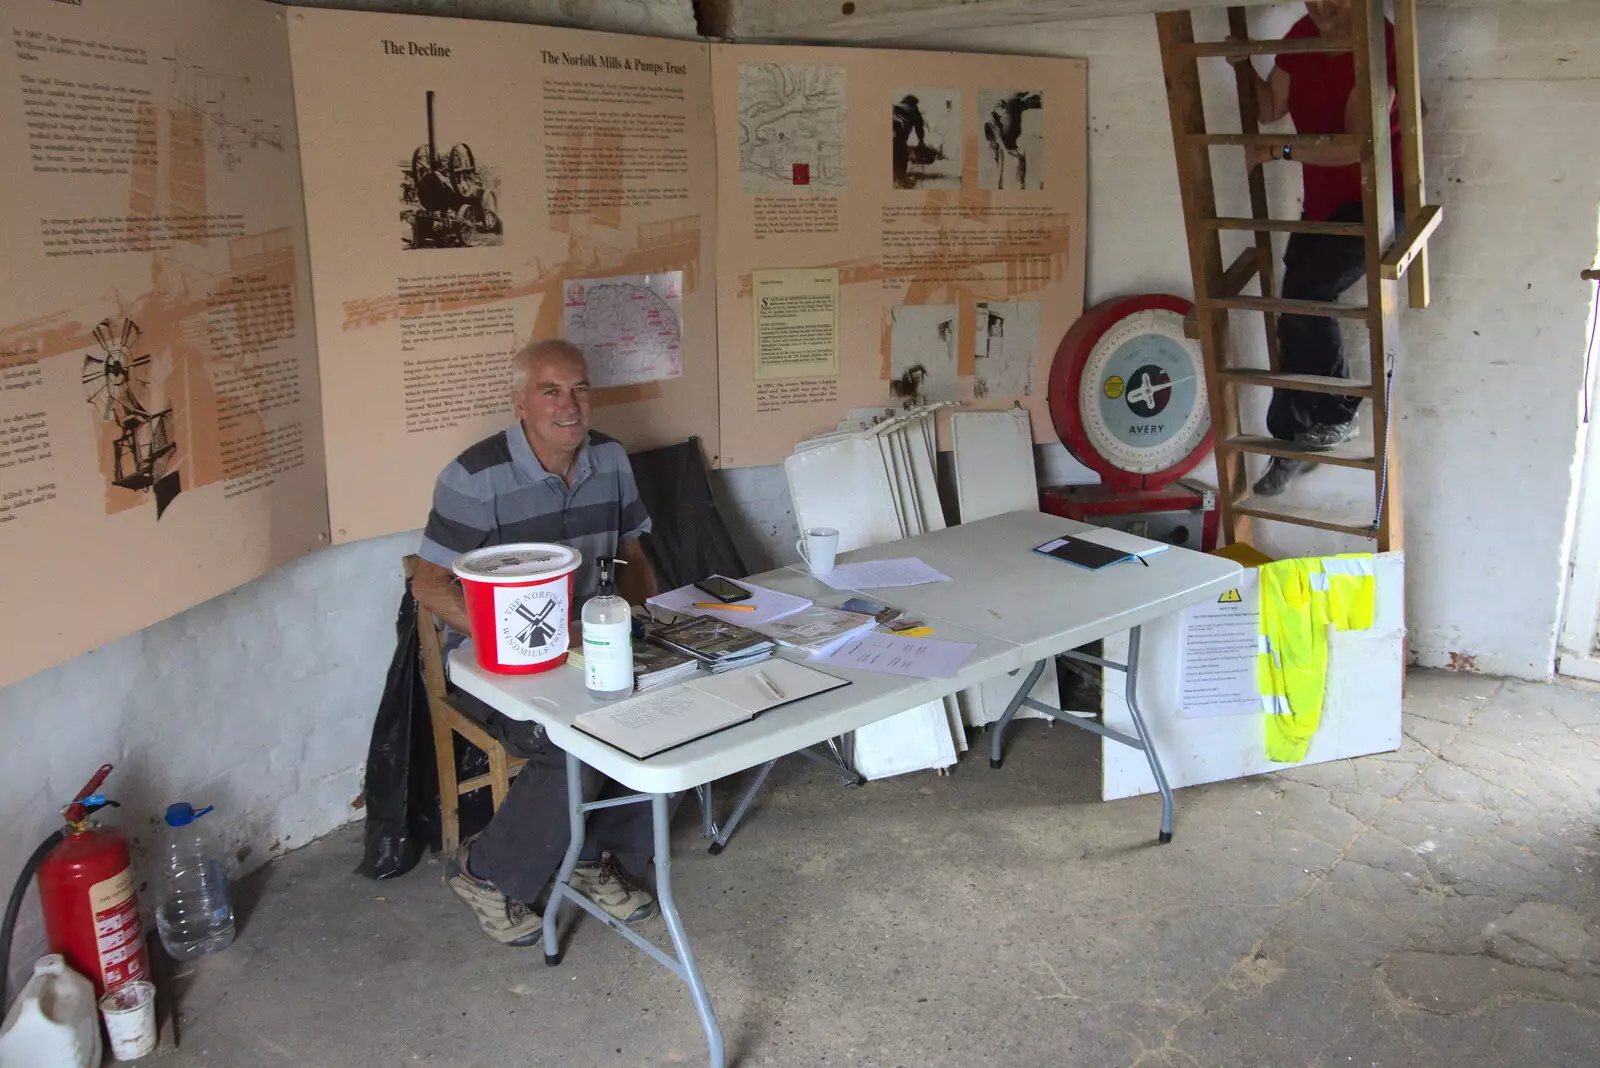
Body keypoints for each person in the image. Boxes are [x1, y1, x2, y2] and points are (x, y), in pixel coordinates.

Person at [412, 338, 661, 947]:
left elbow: (634, 555)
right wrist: (515, 641)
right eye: (550, 390)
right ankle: (484, 872)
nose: (568, 405)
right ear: (520, 401)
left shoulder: (612, 459)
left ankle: (591, 853)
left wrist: (647, 620)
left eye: (579, 389)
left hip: (592, 643)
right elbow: (428, 584)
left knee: (666, 712)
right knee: (571, 740)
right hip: (494, 663)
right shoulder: (475, 476)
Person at [1228, 0, 1403, 496]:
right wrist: (1244, 64)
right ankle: (1294, 443)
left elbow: (1357, 144)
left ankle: (1336, 415)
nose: (1323, 6)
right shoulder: (1303, 34)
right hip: (1327, 204)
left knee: (1308, 293)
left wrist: (1279, 151)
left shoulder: (1378, 42)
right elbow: (1269, 108)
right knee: (1292, 308)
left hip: (1378, 200)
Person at [892, 94, 927, 189]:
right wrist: (921, 141)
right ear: (914, 104)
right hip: (898, 137)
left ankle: (895, 178)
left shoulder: (895, 106)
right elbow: (919, 128)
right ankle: (902, 180)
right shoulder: (914, 110)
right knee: (902, 155)